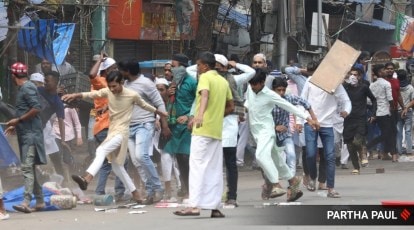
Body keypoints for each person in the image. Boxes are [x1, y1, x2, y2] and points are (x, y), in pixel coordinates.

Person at [62, 71, 168, 204]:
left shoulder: (131, 95)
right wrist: (75, 95)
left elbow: (144, 105)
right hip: (112, 131)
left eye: (114, 86)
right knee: (118, 167)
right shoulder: (108, 91)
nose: (112, 89)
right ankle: (136, 194)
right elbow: (93, 94)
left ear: (121, 83)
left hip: (122, 133)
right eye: (110, 86)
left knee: (101, 151)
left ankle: (87, 178)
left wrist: (159, 113)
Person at [173, 51, 233, 218]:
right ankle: (214, 207)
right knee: (214, 169)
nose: (197, 68)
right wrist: (215, 116)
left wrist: (200, 115)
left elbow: (204, 95)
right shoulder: (223, 81)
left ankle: (194, 205)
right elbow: (231, 107)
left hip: (203, 128)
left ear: (205, 66)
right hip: (216, 130)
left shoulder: (205, 77)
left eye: (198, 65)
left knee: (197, 166)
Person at [246, 69, 317, 202]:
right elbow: (249, 103)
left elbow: (290, 107)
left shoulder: (270, 94)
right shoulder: (251, 89)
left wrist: (308, 118)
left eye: (255, 84)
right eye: (251, 84)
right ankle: (293, 181)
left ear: (262, 83)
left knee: (260, 156)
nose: (252, 87)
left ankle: (275, 184)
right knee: (277, 161)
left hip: (266, 131)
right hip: (256, 132)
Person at [118, 58, 170, 204]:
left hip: (145, 124)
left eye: (122, 71)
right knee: (136, 160)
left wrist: (164, 124)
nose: (121, 73)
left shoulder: (146, 83)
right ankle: (150, 190)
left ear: (128, 71)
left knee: (142, 156)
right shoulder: (126, 83)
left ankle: (158, 188)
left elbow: (159, 103)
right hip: (129, 126)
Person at [300, 61, 352, 198]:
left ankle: (331, 188)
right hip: (311, 122)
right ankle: (312, 176)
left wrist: (346, 111)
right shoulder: (311, 81)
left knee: (330, 156)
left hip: (328, 124)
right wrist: (305, 118)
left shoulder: (335, 84)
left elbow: (346, 100)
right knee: (310, 154)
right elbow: (302, 101)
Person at [213, 53, 255, 206]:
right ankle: (214, 196)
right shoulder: (206, 80)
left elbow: (251, 72)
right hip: (211, 125)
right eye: (213, 67)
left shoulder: (233, 79)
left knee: (230, 162)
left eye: (219, 67)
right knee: (214, 164)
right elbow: (190, 71)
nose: (216, 71)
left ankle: (232, 196)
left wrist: (234, 64)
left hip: (229, 123)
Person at [4, 62, 46, 213]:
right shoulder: (25, 88)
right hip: (26, 134)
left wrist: (19, 120)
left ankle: (26, 201)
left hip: (31, 135)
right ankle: (40, 200)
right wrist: (15, 125)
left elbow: (36, 108)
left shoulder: (27, 88)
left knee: (27, 167)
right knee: (31, 168)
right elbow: (27, 110)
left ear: (14, 75)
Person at [88, 54, 126, 201]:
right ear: (105, 70)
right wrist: (99, 60)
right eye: (113, 68)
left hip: (105, 127)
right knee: (121, 159)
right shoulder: (100, 82)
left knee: (106, 162)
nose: (116, 70)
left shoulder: (112, 83)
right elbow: (92, 74)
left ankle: (100, 192)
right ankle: (119, 192)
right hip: (105, 127)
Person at [164, 53, 197, 199]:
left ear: (183, 68)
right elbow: (168, 102)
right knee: (178, 157)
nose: (171, 69)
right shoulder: (173, 83)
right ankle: (185, 187)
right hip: (174, 124)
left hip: (187, 126)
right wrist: (168, 93)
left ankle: (192, 189)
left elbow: (200, 101)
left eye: (174, 66)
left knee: (186, 156)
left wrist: (190, 115)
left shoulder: (192, 82)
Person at [342, 67, 377, 174]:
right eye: (351, 74)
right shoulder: (345, 88)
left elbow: (373, 99)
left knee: (357, 140)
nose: (353, 77)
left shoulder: (364, 87)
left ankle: (363, 154)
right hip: (348, 119)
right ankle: (356, 167)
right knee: (350, 145)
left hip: (361, 118)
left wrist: (373, 114)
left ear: (359, 76)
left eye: (355, 74)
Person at [155, 77, 181, 200]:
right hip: (163, 136)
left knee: (178, 162)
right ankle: (168, 190)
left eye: (161, 90)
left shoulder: (175, 100)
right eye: (157, 90)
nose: (159, 93)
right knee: (165, 160)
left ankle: (182, 187)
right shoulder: (154, 102)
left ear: (167, 90)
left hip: (176, 131)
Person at [383, 62, 405, 162]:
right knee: (390, 132)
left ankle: (385, 152)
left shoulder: (396, 81)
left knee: (392, 132)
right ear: (384, 70)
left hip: (395, 110)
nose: (390, 70)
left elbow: (398, 95)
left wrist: (404, 107)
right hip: (384, 111)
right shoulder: (382, 81)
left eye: (391, 69)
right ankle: (393, 154)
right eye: (388, 68)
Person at [396, 69, 414, 156]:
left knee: (399, 131)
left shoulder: (396, 87)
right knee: (408, 131)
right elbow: (413, 100)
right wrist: (406, 108)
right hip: (408, 111)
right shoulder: (410, 87)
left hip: (398, 111)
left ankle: (399, 151)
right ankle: (409, 150)